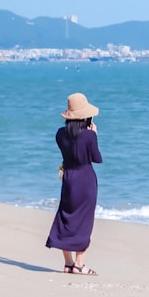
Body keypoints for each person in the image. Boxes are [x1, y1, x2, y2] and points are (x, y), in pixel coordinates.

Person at [46, 92, 103, 275]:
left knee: (67, 217)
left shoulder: (60, 134)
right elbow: (96, 158)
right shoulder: (88, 136)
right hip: (85, 179)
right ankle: (80, 264)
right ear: (85, 116)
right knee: (84, 222)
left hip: (69, 178)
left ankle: (68, 263)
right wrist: (94, 135)